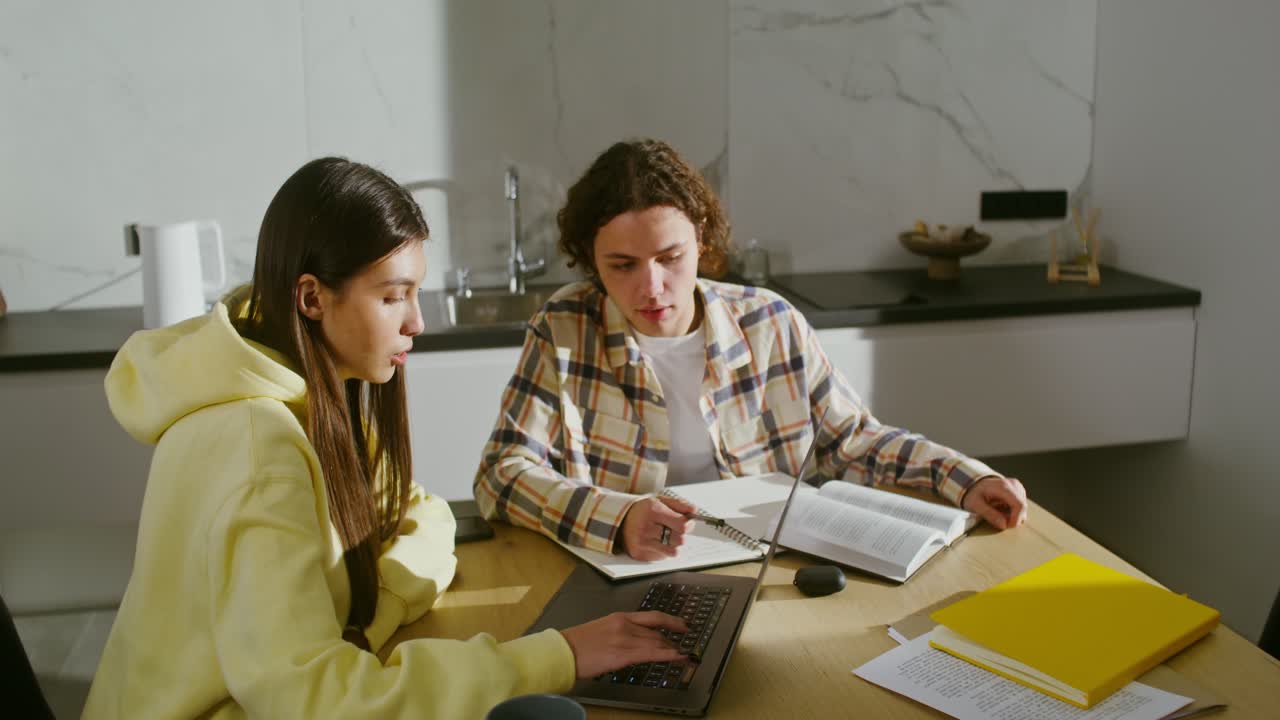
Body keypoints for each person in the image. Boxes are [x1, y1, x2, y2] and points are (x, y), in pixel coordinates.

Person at [83, 157, 687, 719]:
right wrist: (560, 658)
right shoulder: (258, 447)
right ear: (313, 298)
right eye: (393, 296)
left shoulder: (306, 389)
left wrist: (378, 607)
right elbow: (311, 698)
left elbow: (416, 510)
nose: (416, 322)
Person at [474, 138, 1028, 562]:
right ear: (589, 260)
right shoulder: (564, 328)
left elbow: (853, 441)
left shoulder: (768, 320)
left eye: (671, 258)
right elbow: (501, 474)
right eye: (622, 266)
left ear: (702, 242)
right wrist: (617, 518)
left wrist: (967, 478)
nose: (652, 287)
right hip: (627, 571)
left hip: (767, 571)